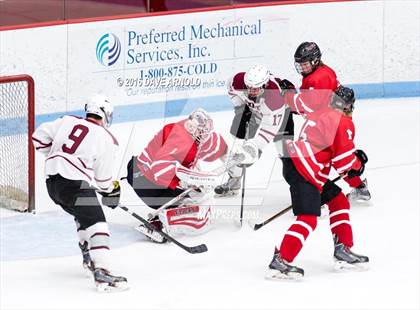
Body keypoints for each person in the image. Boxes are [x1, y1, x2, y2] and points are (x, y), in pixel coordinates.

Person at [266, 86, 369, 280]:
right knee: (308, 218)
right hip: (306, 170)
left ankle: (343, 249)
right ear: (349, 106)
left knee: (338, 200)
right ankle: (281, 260)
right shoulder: (342, 121)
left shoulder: (319, 111)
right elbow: (343, 162)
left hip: (299, 163)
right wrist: (358, 165)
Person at [32, 95, 128, 292]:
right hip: (74, 183)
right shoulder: (107, 138)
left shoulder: (67, 121)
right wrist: (112, 190)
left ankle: (88, 254)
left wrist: (59, 154)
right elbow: (103, 181)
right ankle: (102, 272)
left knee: (83, 214)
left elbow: (38, 138)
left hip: (52, 184)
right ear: (106, 115)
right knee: (98, 222)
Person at [284, 42, 371, 202]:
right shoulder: (319, 73)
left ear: (315, 60)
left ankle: (316, 195)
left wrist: (287, 96)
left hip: (328, 124)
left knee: (321, 159)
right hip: (329, 121)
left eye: (304, 64)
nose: (302, 68)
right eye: (300, 65)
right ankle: (359, 188)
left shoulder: (319, 78)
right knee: (336, 159)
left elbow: (305, 105)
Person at [126, 108, 229, 242]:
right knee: (198, 201)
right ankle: (161, 226)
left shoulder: (190, 130)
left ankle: (161, 220)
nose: (203, 135)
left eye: (204, 132)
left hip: (140, 173)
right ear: (193, 127)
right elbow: (160, 169)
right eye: (201, 132)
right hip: (146, 182)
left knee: (195, 194)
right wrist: (188, 181)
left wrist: (232, 155)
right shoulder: (180, 138)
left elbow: (214, 144)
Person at [213, 64, 295, 196]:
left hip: (281, 115)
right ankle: (234, 179)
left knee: (286, 153)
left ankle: (304, 188)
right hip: (255, 111)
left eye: (255, 89)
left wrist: (255, 147)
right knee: (237, 138)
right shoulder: (238, 81)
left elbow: (269, 129)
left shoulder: (274, 99)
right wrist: (240, 107)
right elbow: (231, 89)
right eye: (249, 87)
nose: (251, 91)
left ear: (264, 86)